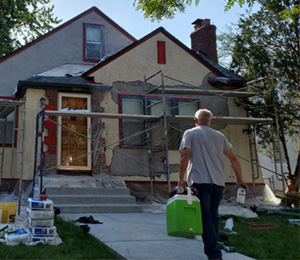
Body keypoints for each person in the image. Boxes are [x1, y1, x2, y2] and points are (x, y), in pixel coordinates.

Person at [178, 109, 247, 260]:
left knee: (205, 219)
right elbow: (233, 158)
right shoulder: (219, 136)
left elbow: (185, 154)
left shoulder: (190, 133)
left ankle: (214, 255)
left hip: (199, 182)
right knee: (213, 217)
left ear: (195, 119)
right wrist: (240, 179)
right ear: (210, 121)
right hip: (218, 184)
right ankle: (215, 245)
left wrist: (181, 179)